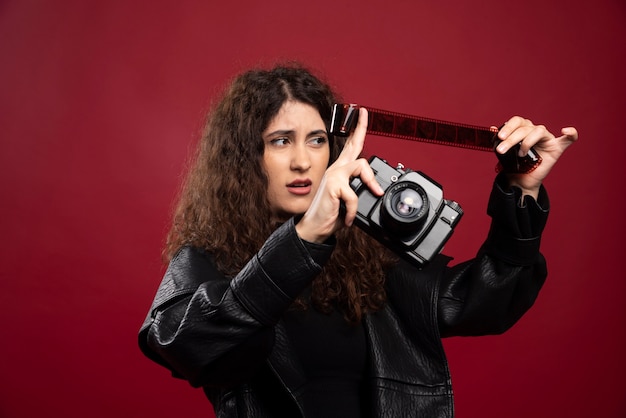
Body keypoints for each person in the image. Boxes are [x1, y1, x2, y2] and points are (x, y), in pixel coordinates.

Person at [138, 63, 578, 418]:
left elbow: (481, 299)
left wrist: (522, 190)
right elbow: (185, 344)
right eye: (280, 141)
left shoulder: (366, 250)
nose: (302, 161)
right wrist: (306, 236)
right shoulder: (210, 259)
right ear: (245, 159)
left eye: (315, 140)